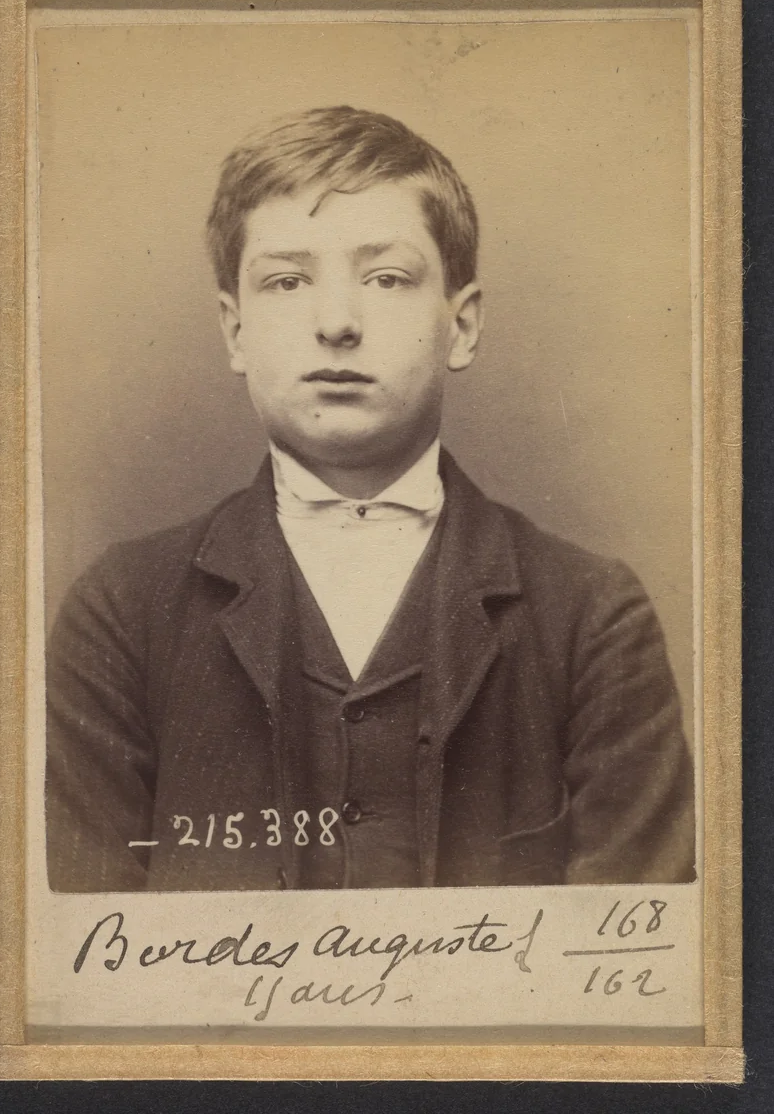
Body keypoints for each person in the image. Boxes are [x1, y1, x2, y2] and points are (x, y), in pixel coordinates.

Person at [45, 105, 695, 892]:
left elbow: (633, 970)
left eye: (386, 279)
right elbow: (80, 973)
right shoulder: (122, 612)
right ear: (235, 331)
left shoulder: (593, 617)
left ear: (461, 326)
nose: (337, 323)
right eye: (287, 281)